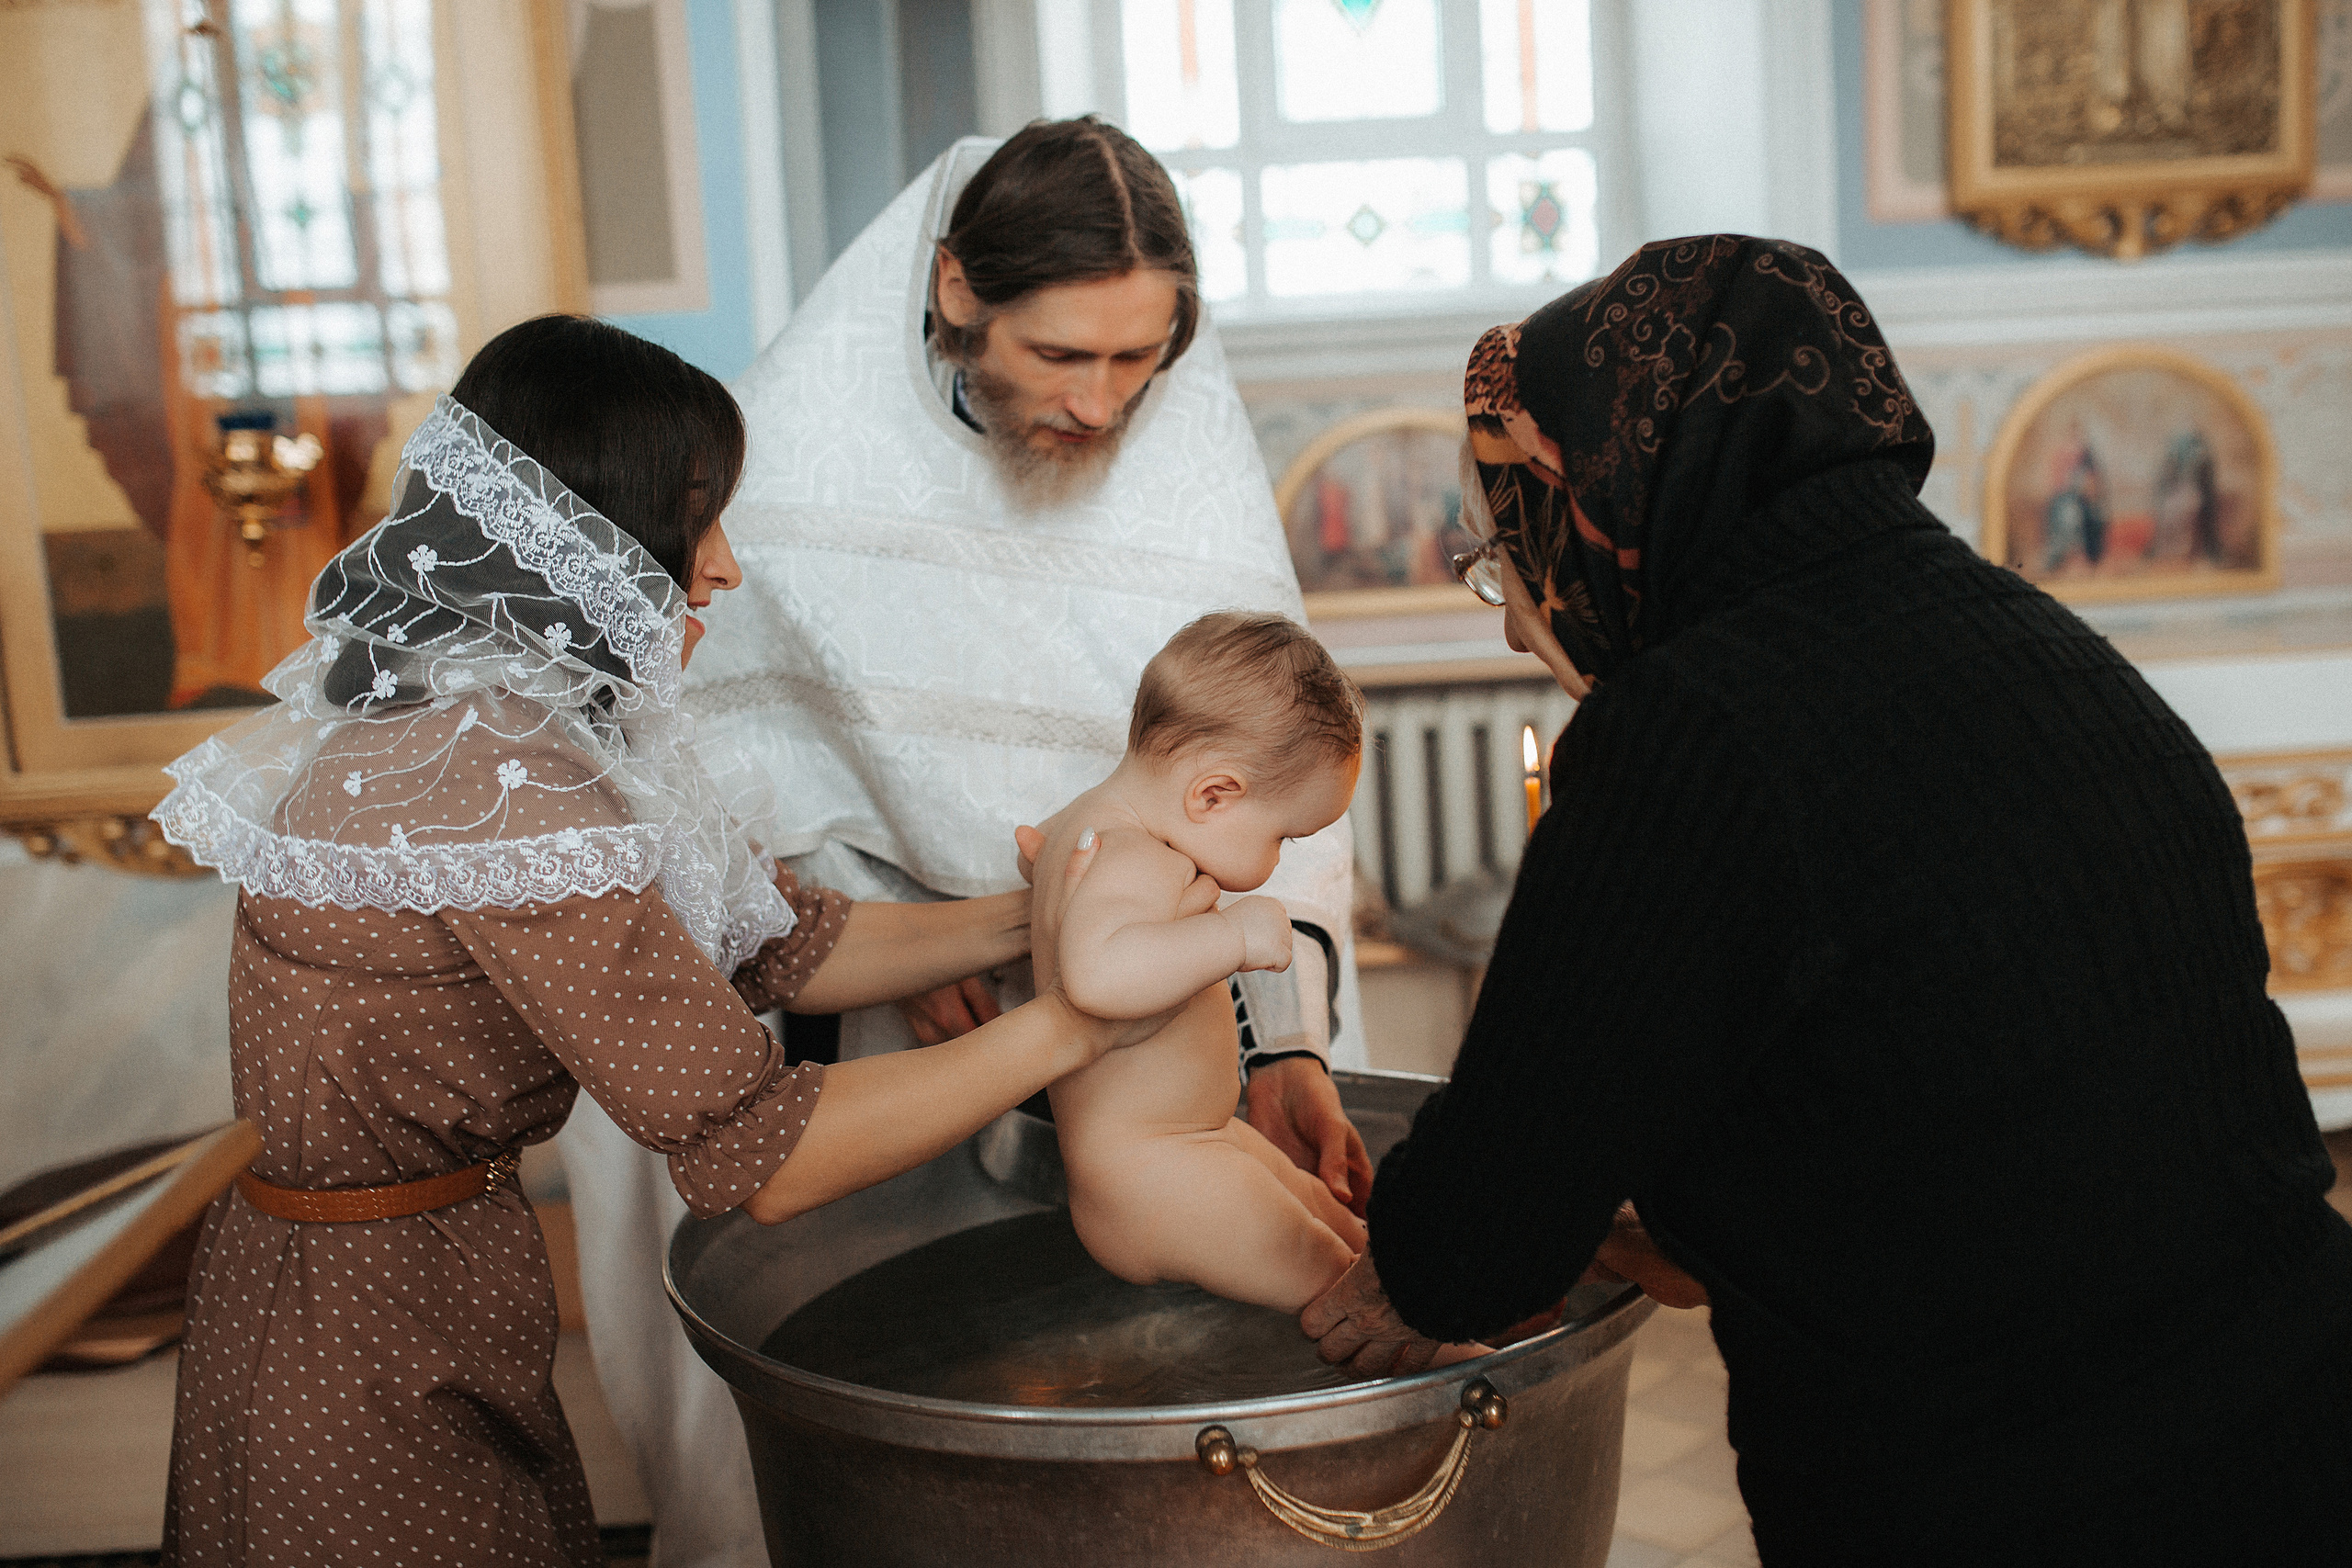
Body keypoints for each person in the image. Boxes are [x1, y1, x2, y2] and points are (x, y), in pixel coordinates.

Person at [1301, 236, 2352, 1565]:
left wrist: (1402, 1259)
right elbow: (1930, 1075)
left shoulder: (1691, 727)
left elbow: (1471, 1243)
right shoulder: (2043, 644)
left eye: (1499, 546)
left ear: (1594, 498)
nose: (1512, 619)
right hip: (2298, 1416)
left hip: (2018, 1492)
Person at [153, 317, 1151, 1568]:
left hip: (402, 1275)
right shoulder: (494, 784)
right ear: (586, 534)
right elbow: (761, 1153)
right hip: (360, 1336)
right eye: (700, 520)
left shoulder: (495, 726)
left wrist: (1041, 913)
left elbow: (777, 943)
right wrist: (1084, 1015)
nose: (724, 569)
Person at [566, 118, 1372, 1565]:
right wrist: (901, 925)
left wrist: (1286, 1043)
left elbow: (1270, 775)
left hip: (1155, 1013)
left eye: (1141, 359)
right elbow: (744, 796)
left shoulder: (1184, 469)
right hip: (889, 1022)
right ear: (954, 292)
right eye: (1064, 356)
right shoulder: (797, 458)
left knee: (1187, 1393)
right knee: (922, 1438)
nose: (1105, 403)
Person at [1029, 614, 1367, 1312]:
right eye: (1284, 837)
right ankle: (1464, 1365)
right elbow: (1097, 972)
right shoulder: (1135, 854)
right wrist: (1236, 937)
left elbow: (1059, 885)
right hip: (1150, 1169)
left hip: (1190, 1139)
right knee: (1332, 1277)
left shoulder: (1087, 825)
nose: (1279, 861)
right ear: (1213, 795)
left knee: (1324, 1216)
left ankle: (1408, 1279)